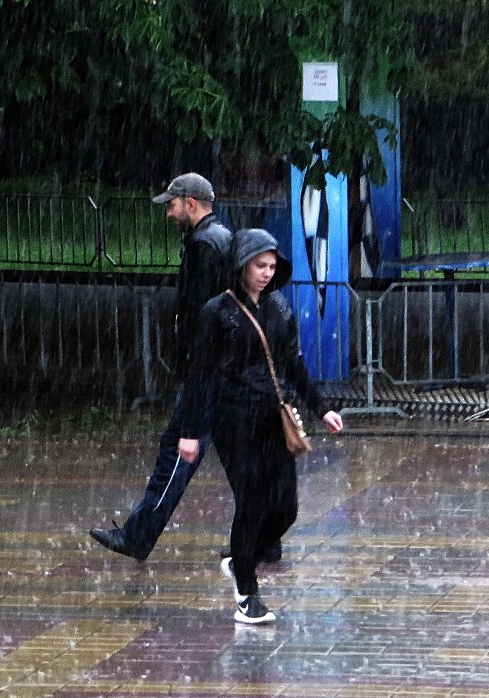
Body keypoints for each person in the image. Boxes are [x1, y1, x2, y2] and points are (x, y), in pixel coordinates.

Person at [179, 228, 344, 624]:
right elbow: (199, 374)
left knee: (285, 507)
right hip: (233, 420)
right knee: (251, 503)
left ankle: (241, 559)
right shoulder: (216, 312)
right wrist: (189, 431)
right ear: (241, 266)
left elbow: (294, 365)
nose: (267, 273)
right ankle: (247, 594)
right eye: (260, 265)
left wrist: (321, 409)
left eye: (272, 266)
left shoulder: (280, 309)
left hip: (273, 418)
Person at [89, 172, 239, 561]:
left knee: (176, 452)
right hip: (224, 368)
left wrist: (193, 365)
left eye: (171, 205)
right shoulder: (222, 238)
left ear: (191, 203)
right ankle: (265, 534)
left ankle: (139, 536)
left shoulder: (205, 245)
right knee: (240, 457)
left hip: (206, 371)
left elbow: (202, 316)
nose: (168, 213)